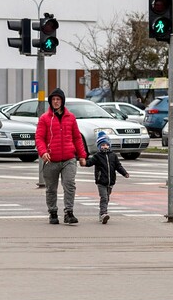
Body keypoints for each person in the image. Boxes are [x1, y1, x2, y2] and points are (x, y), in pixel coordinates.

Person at [35, 88, 87, 225]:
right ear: (50, 102)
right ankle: (52, 212)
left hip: (69, 159)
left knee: (69, 184)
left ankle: (69, 212)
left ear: (62, 101)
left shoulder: (71, 117)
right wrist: (43, 152)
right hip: (51, 159)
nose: (56, 102)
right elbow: (39, 138)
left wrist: (82, 156)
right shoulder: (45, 119)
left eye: (58, 99)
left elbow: (77, 137)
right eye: (53, 100)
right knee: (51, 188)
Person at [85, 131, 129, 224]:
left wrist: (124, 173)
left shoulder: (113, 156)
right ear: (99, 146)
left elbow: (118, 166)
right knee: (104, 197)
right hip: (101, 181)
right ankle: (103, 214)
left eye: (106, 144)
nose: (105, 146)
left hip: (111, 182)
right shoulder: (97, 156)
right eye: (102, 145)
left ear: (109, 145)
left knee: (107, 198)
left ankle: (102, 214)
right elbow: (90, 162)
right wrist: (84, 162)